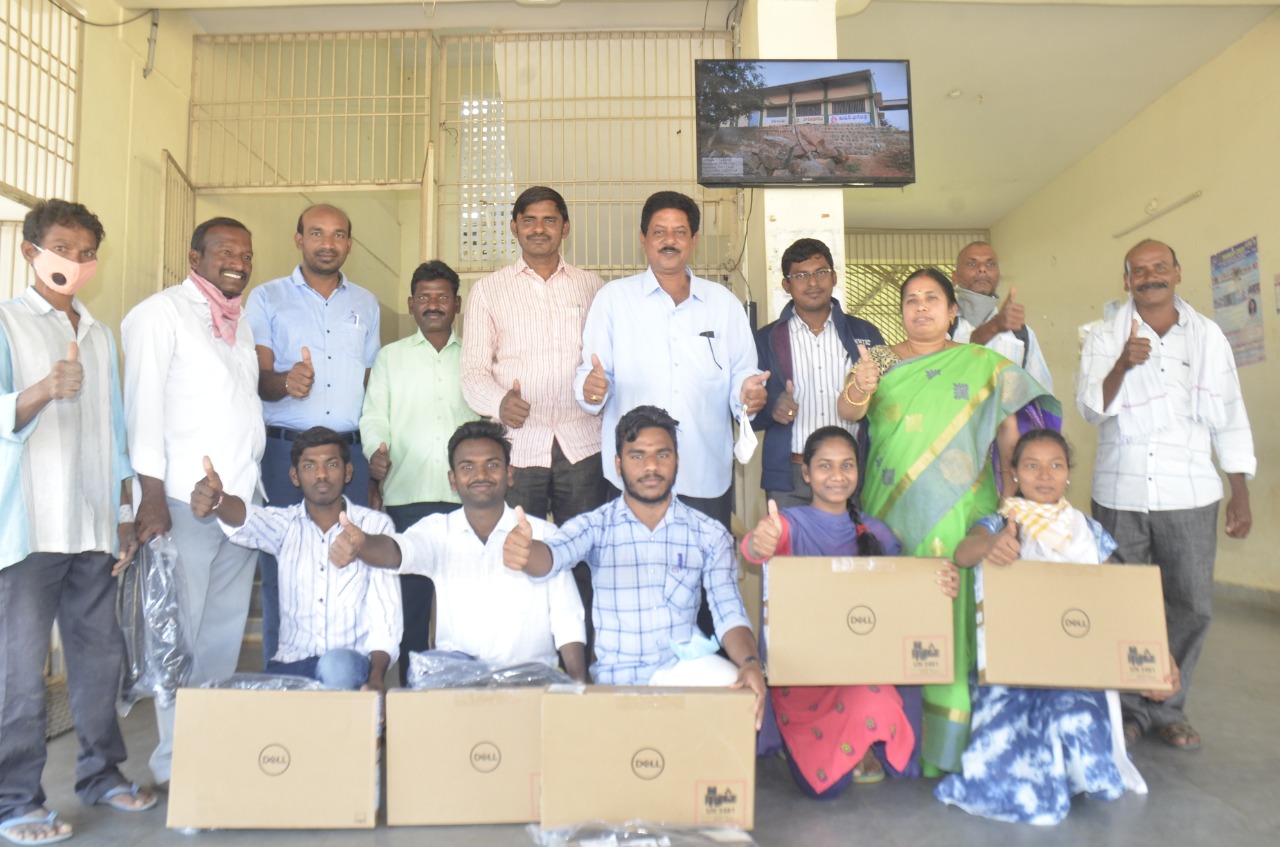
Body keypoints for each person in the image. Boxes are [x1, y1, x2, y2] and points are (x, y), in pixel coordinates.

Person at [838, 267, 1059, 775]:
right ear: (901, 312)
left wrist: (1014, 495)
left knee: (951, 620)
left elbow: (1010, 425)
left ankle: (952, 743)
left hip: (961, 509)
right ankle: (882, 738)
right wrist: (859, 385)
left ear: (952, 310)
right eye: (911, 300)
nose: (921, 308)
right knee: (889, 618)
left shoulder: (982, 362)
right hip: (889, 509)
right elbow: (848, 411)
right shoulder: (881, 358)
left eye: (931, 299)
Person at [0, 200, 155, 845]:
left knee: (99, 661)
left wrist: (123, 511)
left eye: (87, 250)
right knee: (19, 672)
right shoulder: (7, 322)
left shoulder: (100, 332)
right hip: (30, 530)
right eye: (63, 246)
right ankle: (14, 802)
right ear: (32, 251)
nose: (76, 260)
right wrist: (40, 390)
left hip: (92, 526)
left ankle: (101, 776)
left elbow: (116, 434)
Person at [938, 429, 1175, 824]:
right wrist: (989, 548)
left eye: (1056, 465)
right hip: (1010, 665)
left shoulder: (1087, 531)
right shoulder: (999, 522)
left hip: (1076, 664)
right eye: (1032, 465)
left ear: (1068, 474)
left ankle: (1070, 770)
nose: (1044, 475)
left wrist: (1159, 653)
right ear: (1013, 473)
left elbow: (1122, 596)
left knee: (1073, 716)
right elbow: (964, 553)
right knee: (1019, 743)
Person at [1077, 239, 1254, 752]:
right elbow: (1091, 408)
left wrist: (1239, 489)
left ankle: (1168, 707)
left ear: (1177, 272)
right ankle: (1131, 709)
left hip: (1191, 490)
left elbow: (1230, 412)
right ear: (1126, 279)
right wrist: (1121, 364)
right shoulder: (1102, 335)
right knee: (1124, 604)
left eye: (1159, 267)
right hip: (1120, 489)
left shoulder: (1209, 337)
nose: (1150, 276)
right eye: (1139, 270)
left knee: (1190, 603)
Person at [501, 405, 767, 727]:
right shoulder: (596, 526)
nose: (651, 466)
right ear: (618, 464)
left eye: (662, 455)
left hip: (682, 668)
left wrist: (751, 663)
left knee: (737, 692)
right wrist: (527, 554)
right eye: (637, 456)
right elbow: (554, 555)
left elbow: (729, 612)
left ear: (677, 460)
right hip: (616, 680)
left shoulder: (708, 534)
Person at [123, 216, 266, 788]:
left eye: (247, 252)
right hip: (184, 500)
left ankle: (208, 751)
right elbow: (143, 407)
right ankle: (176, 765)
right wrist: (150, 496)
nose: (238, 261)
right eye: (225, 250)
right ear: (195, 255)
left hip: (238, 505)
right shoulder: (160, 314)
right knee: (178, 636)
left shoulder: (239, 322)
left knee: (221, 636)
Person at [740, 427, 959, 799]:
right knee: (827, 789)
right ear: (806, 473)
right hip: (804, 677)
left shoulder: (876, 532)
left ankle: (863, 743)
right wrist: (758, 541)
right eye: (825, 466)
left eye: (847, 466)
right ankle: (830, 745)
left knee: (874, 700)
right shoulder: (788, 524)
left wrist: (942, 584)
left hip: (859, 671)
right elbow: (755, 548)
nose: (837, 476)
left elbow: (906, 593)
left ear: (858, 472)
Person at [460, 186, 607, 655]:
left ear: (565, 227)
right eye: (529, 220)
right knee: (515, 552)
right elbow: (473, 372)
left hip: (582, 444)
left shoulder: (593, 287)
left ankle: (580, 658)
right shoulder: (488, 291)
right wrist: (500, 402)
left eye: (549, 220)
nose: (539, 229)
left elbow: (608, 363)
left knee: (581, 555)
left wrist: (601, 387)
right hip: (518, 448)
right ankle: (517, 656)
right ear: (514, 227)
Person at [327, 421, 587, 681]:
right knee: (426, 670)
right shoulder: (437, 531)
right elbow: (397, 552)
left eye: (492, 465)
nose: (481, 475)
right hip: (458, 682)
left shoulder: (544, 534)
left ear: (510, 474)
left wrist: (578, 684)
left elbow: (568, 617)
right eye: (467, 467)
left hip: (532, 679)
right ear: (453, 479)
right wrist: (363, 544)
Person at [575, 191, 768, 529]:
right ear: (643, 239)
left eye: (679, 232)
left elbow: (742, 375)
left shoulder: (723, 304)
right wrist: (591, 389)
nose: (669, 241)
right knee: (631, 577)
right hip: (633, 477)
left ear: (693, 240)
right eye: (659, 231)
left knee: (703, 575)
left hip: (703, 469)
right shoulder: (613, 300)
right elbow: (593, 378)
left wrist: (748, 397)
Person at [245, 203, 381, 665]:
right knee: (287, 572)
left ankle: (351, 682)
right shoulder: (266, 298)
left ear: (349, 242)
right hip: (288, 457)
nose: (329, 243)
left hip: (349, 458)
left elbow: (369, 386)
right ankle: (285, 680)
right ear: (298, 238)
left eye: (339, 234)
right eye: (318, 233)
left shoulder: (365, 303)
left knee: (353, 567)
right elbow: (257, 378)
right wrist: (286, 382)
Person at [189, 427, 401, 692]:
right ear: (295, 476)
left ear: (348, 472)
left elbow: (386, 616)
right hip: (290, 666)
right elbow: (246, 520)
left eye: (331, 464)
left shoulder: (374, 525)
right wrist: (218, 501)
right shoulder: (285, 525)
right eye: (310, 466)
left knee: (336, 665)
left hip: (349, 667)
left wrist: (377, 676)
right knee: (234, 698)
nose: (321, 474)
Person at [360, 260, 477, 685]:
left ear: (457, 304)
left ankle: (457, 696)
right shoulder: (389, 358)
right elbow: (373, 417)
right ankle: (410, 696)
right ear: (410, 304)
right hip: (406, 497)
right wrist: (376, 452)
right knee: (410, 606)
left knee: (459, 606)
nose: (433, 305)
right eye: (424, 297)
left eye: (442, 297)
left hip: (465, 503)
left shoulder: (477, 358)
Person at [754, 238, 885, 509]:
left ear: (834, 277)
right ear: (786, 285)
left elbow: (886, 402)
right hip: (790, 476)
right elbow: (744, 411)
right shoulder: (765, 339)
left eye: (820, 272)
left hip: (850, 474)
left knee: (849, 550)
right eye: (800, 276)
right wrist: (771, 409)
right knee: (790, 551)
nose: (812, 283)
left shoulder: (865, 334)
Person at [948, 241, 1054, 392]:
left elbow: (1042, 392)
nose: (982, 269)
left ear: (999, 276)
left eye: (990, 264)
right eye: (972, 264)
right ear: (955, 277)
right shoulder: (943, 327)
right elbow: (944, 364)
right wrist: (995, 326)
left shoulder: (1021, 334)